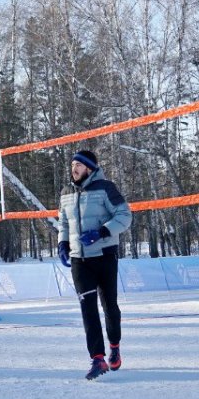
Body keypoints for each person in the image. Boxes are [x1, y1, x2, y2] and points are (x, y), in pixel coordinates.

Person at [57, 149, 132, 380]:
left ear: (89, 168)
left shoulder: (106, 188)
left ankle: (115, 346)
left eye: (78, 165)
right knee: (88, 308)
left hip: (105, 255)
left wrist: (101, 232)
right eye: (72, 166)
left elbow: (125, 216)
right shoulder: (66, 192)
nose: (74, 169)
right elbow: (63, 222)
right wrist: (62, 243)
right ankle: (98, 359)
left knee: (109, 306)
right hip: (80, 260)